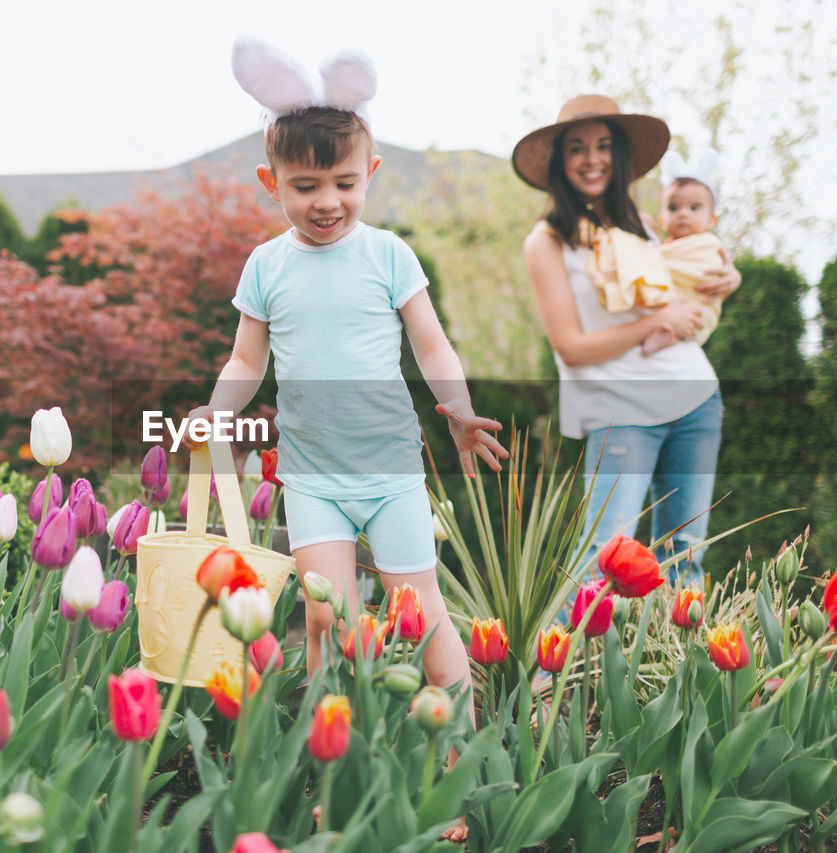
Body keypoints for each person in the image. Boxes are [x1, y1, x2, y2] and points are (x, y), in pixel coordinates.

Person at [187, 42, 505, 840]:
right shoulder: (265, 266)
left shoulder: (389, 255)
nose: (326, 201)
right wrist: (216, 412)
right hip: (314, 476)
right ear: (273, 184)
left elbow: (431, 344)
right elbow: (246, 359)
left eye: (343, 183)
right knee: (327, 623)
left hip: (391, 470)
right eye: (305, 186)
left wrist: (458, 410)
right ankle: (340, 770)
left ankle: (459, 763)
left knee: (420, 612)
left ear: (369, 174)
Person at [515, 95, 740, 580]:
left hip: (694, 397)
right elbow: (571, 350)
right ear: (560, 160)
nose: (592, 158)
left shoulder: (640, 227)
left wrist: (731, 276)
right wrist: (655, 326)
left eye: (603, 145)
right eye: (577, 147)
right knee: (603, 556)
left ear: (619, 158)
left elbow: (691, 270)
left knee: (684, 555)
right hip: (621, 411)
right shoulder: (547, 240)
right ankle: (555, 659)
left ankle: (676, 657)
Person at [640, 149, 728, 355]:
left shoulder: (707, 246)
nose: (683, 214)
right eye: (673, 208)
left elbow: (714, 267)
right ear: (662, 220)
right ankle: (665, 331)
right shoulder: (666, 248)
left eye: (694, 208)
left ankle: (670, 333)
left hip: (697, 309)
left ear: (711, 220)